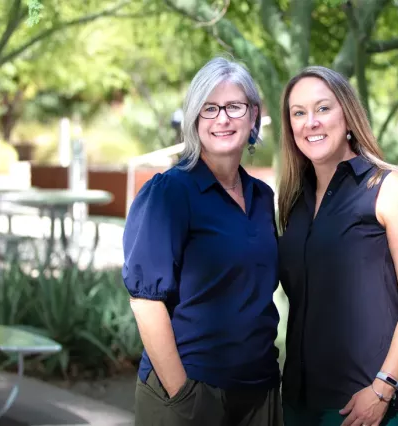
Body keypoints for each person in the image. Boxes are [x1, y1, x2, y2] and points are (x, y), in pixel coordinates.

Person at [122, 57, 283, 426]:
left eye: (234, 107)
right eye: (209, 108)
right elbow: (146, 302)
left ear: (254, 115)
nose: (222, 119)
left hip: (259, 391)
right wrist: (184, 395)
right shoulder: (169, 193)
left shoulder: (261, 197)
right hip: (191, 389)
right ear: (194, 118)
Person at [277, 66, 398, 426]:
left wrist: (383, 387)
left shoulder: (388, 189)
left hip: (364, 404)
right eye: (298, 113)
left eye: (323, 109)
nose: (310, 122)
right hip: (299, 401)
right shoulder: (294, 202)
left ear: (347, 114)